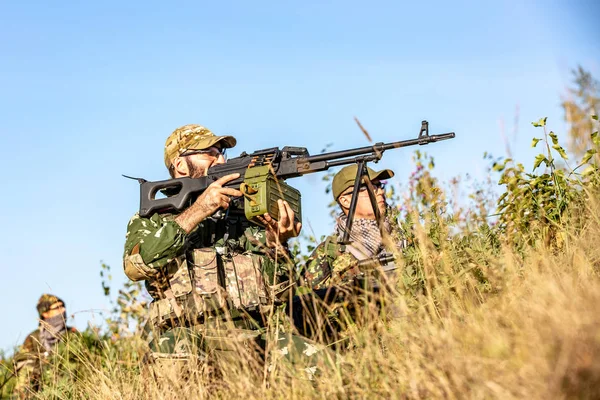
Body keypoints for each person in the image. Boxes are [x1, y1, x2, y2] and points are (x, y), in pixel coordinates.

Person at [123, 124, 321, 382]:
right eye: (211, 153)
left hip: (254, 338)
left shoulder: (246, 216)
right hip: (189, 338)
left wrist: (277, 242)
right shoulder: (154, 218)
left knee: (333, 372)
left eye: (222, 153)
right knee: (172, 353)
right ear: (181, 165)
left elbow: (285, 288)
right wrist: (199, 210)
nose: (221, 160)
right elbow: (136, 265)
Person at [297, 164, 406, 345]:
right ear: (345, 201)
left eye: (380, 186)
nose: (379, 192)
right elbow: (306, 317)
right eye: (369, 187)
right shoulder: (328, 254)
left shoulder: (406, 236)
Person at [12, 294, 78, 399]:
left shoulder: (72, 334)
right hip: (41, 389)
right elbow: (22, 369)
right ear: (45, 313)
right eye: (58, 307)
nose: (63, 310)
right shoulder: (33, 338)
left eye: (63, 306)